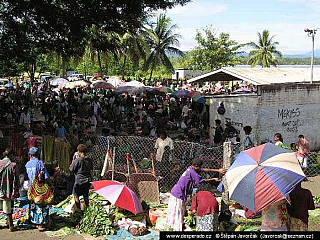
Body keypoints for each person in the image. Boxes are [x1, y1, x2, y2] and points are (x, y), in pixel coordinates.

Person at [166, 158, 226, 231]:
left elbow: (204, 170)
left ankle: (177, 226)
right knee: (178, 212)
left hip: (176, 191)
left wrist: (217, 170)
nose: (200, 169)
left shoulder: (190, 168)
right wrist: (213, 179)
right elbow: (201, 181)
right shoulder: (193, 173)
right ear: (197, 166)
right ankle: (177, 228)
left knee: (180, 210)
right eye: (199, 167)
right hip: (178, 193)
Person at [25, 147, 50, 231]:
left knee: (32, 205)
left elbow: (26, 177)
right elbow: (46, 176)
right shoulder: (40, 163)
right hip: (39, 188)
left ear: (30, 155)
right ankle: (40, 224)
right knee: (41, 205)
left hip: (31, 188)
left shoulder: (27, 164)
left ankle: (33, 222)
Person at [0, 148, 19, 232]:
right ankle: (11, 225)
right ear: (11, 155)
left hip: (0, 189)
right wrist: (16, 191)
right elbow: (16, 180)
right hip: (8, 189)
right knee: (8, 208)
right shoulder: (13, 165)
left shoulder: (0, 163)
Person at [69, 144, 92, 210]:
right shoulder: (89, 160)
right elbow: (91, 168)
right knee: (86, 195)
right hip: (87, 180)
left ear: (79, 151)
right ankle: (88, 209)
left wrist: (73, 160)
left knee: (76, 195)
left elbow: (71, 169)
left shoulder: (78, 160)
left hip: (79, 180)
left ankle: (79, 210)